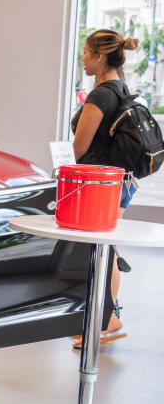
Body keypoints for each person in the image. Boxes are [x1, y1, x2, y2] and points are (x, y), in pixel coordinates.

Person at [71, 28, 140, 347]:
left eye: (86, 53)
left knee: (103, 251)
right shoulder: (120, 87)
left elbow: (80, 147)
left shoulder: (101, 94)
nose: (83, 59)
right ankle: (105, 317)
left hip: (101, 184)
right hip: (121, 180)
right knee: (107, 249)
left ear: (100, 57)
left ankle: (106, 319)